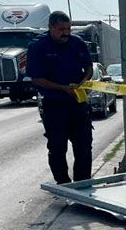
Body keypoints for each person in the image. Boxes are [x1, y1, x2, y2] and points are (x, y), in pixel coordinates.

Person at [26, 11, 94, 184]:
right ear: (50, 27)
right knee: (57, 148)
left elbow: (88, 67)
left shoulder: (77, 43)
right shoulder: (38, 46)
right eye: (61, 29)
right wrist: (63, 88)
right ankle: (63, 184)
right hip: (54, 106)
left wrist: (84, 81)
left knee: (84, 146)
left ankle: (82, 184)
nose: (66, 33)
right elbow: (37, 79)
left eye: (68, 29)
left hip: (77, 104)